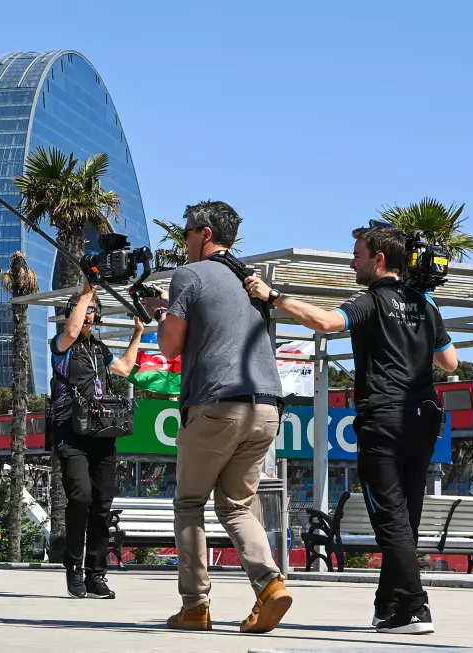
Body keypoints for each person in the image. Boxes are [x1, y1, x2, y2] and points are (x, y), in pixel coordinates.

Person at [245, 225, 458, 635]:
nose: (352, 261)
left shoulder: (370, 300)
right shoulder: (426, 304)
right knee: (405, 519)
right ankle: (389, 607)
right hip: (423, 421)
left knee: (390, 519)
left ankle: (415, 608)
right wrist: (422, 314)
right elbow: (450, 361)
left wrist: (273, 297)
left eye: (358, 255)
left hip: (384, 420)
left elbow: (326, 322)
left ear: (379, 259)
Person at [140, 200, 292, 634]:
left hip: (214, 404)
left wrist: (159, 313)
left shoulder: (190, 274)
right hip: (266, 405)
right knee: (238, 504)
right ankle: (270, 586)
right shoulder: (249, 279)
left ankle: (195, 607)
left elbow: (169, 347)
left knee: (190, 504)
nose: (184, 240)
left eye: (187, 232)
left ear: (204, 233)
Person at [49, 279, 143, 599]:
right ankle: (73, 567)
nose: (89, 314)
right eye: (84, 310)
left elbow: (126, 367)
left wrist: (137, 334)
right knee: (82, 498)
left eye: (93, 310)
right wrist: (88, 288)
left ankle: (96, 574)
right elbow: (73, 332)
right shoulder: (60, 345)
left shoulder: (100, 350)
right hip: (70, 432)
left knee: (102, 505)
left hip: (102, 433)